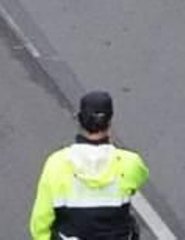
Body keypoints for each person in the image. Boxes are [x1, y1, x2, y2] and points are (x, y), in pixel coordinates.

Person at [29, 91, 150, 240]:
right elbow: (139, 178)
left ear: (80, 119)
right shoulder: (130, 163)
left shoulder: (56, 163)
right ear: (110, 121)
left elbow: (39, 224)